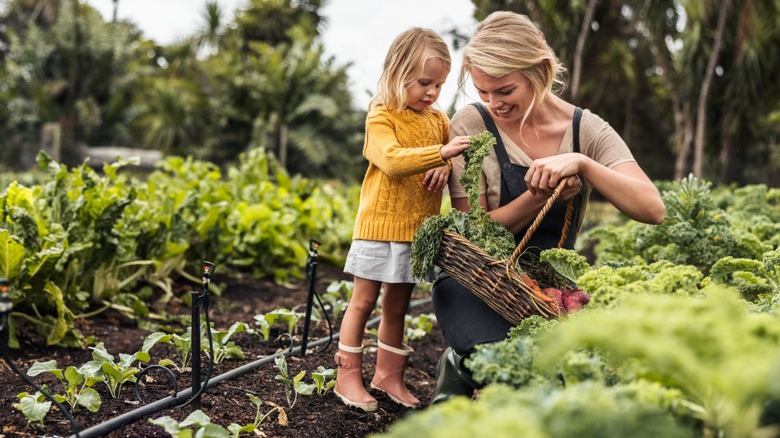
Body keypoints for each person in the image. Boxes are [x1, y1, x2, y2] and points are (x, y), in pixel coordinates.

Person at [430, 11, 666, 403]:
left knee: (574, 374)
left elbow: (652, 208)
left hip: (548, 288)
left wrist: (583, 163)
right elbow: (473, 234)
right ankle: (460, 366)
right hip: (478, 281)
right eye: (483, 91)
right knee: (510, 365)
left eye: (504, 90)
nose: (494, 103)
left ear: (538, 71)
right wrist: (536, 196)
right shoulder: (471, 125)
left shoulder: (585, 130)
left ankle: (464, 370)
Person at [334, 27, 472, 412]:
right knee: (363, 302)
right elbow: (393, 161)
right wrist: (441, 155)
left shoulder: (438, 120)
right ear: (397, 72)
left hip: (417, 232)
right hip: (379, 228)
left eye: (439, 85)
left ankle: (388, 376)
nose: (431, 92)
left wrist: (445, 165)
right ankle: (347, 378)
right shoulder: (381, 116)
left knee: (398, 307)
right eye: (424, 82)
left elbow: (447, 161)